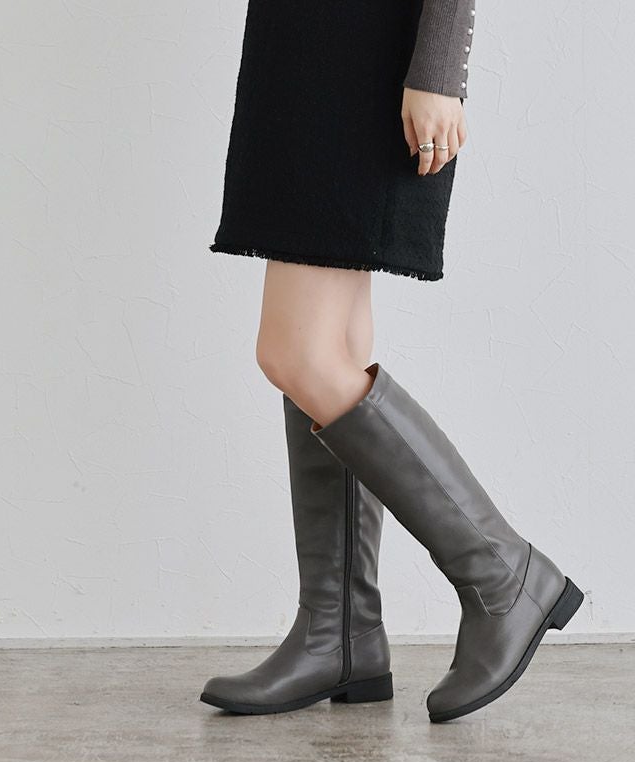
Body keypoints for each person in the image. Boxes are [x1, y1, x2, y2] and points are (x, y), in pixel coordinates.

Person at [200, 0, 584, 722]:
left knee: (297, 354)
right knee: (332, 350)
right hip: (298, 45)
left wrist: (439, 70)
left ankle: (504, 571)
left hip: (366, 49)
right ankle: (338, 633)